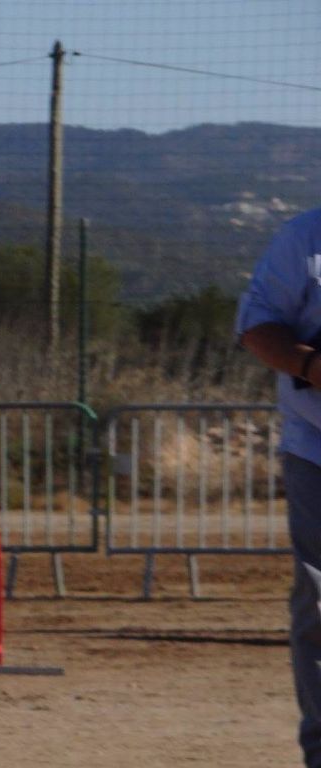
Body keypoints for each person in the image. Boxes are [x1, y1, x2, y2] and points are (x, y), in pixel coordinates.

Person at [238, 207, 321, 767]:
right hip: (318, 447)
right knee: (320, 602)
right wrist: (311, 366)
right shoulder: (304, 238)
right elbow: (258, 324)